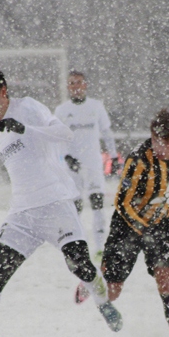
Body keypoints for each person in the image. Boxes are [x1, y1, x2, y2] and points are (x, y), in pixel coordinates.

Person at [0, 65, 122, 337]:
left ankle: (102, 301)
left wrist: (26, 128)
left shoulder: (27, 107)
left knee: (80, 265)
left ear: (2, 90)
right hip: (22, 215)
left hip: (56, 205)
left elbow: (65, 134)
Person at [77, 109, 169, 337]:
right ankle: (92, 279)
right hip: (127, 226)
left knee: (167, 281)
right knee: (114, 291)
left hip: (160, 225)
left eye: (165, 143)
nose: (159, 147)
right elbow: (121, 202)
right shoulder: (138, 160)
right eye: (155, 140)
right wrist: (140, 226)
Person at [54, 70, 120, 258]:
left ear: (85, 85)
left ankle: (100, 248)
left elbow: (107, 133)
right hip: (73, 166)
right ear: (68, 87)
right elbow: (56, 138)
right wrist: (66, 156)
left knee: (97, 202)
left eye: (79, 82)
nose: (76, 86)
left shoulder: (96, 107)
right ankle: (77, 247)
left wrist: (114, 157)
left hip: (93, 164)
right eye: (72, 83)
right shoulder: (61, 110)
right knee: (75, 207)